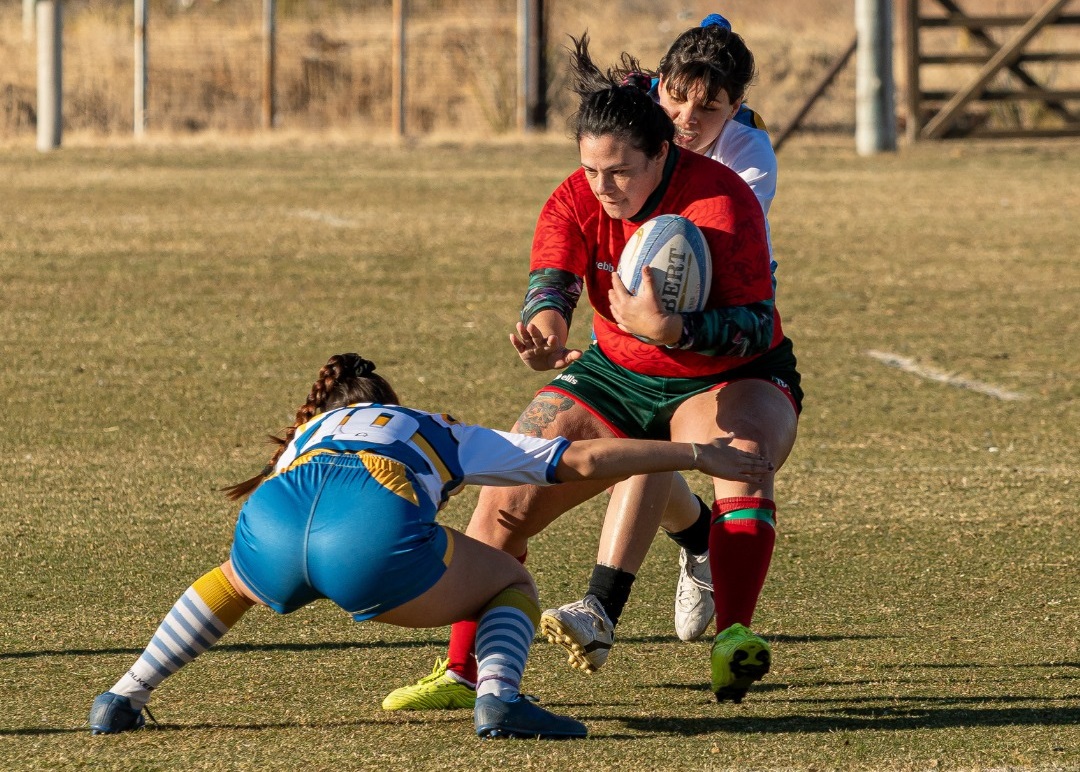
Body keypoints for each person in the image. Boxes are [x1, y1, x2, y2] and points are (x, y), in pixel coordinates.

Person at [382, 31, 801, 711]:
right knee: (504, 498)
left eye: (620, 173)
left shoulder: (724, 200)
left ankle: (734, 639)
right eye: (591, 171)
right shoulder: (576, 195)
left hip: (730, 372)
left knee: (744, 459)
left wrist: (677, 330)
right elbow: (551, 279)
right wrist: (545, 326)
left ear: (660, 155)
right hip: (618, 369)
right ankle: (464, 673)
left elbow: (755, 321)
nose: (603, 188)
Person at [87, 352, 773, 738]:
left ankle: (123, 694)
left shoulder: (308, 434)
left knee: (232, 582)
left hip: (273, 520)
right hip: (366, 542)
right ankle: (498, 697)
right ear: (389, 397)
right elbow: (583, 461)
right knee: (511, 578)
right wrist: (690, 451)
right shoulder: (431, 426)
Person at [548, 11, 783, 661]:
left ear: (736, 108)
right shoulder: (640, 111)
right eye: (676, 96)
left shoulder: (746, 154)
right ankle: (695, 542)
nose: (687, 117)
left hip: (711, 312)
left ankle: (613, 602)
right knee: (644, 438)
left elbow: (694, 252)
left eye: (709, 107)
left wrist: (654, 321)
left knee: (662, 434)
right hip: (638, 310)